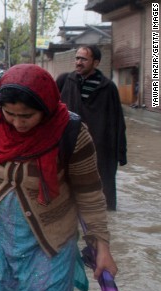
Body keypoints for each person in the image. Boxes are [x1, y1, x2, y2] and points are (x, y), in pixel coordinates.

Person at [0, 64, 118, 291]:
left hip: (50, 238)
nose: (17, 123)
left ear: (47, 107)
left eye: (27, 116)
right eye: (10, 114)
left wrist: (102, 247)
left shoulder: (72, 133)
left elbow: (90, 194)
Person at [57, 45, 127, 211]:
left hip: (100, 148)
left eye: (83, 59)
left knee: (101, 197)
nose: (78, 62)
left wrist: (121, 153)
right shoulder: (65, 81)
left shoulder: (107, 87)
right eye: (77, 58)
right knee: (67, 193)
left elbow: (118, 121)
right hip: (69, 145)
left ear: (95, 63)